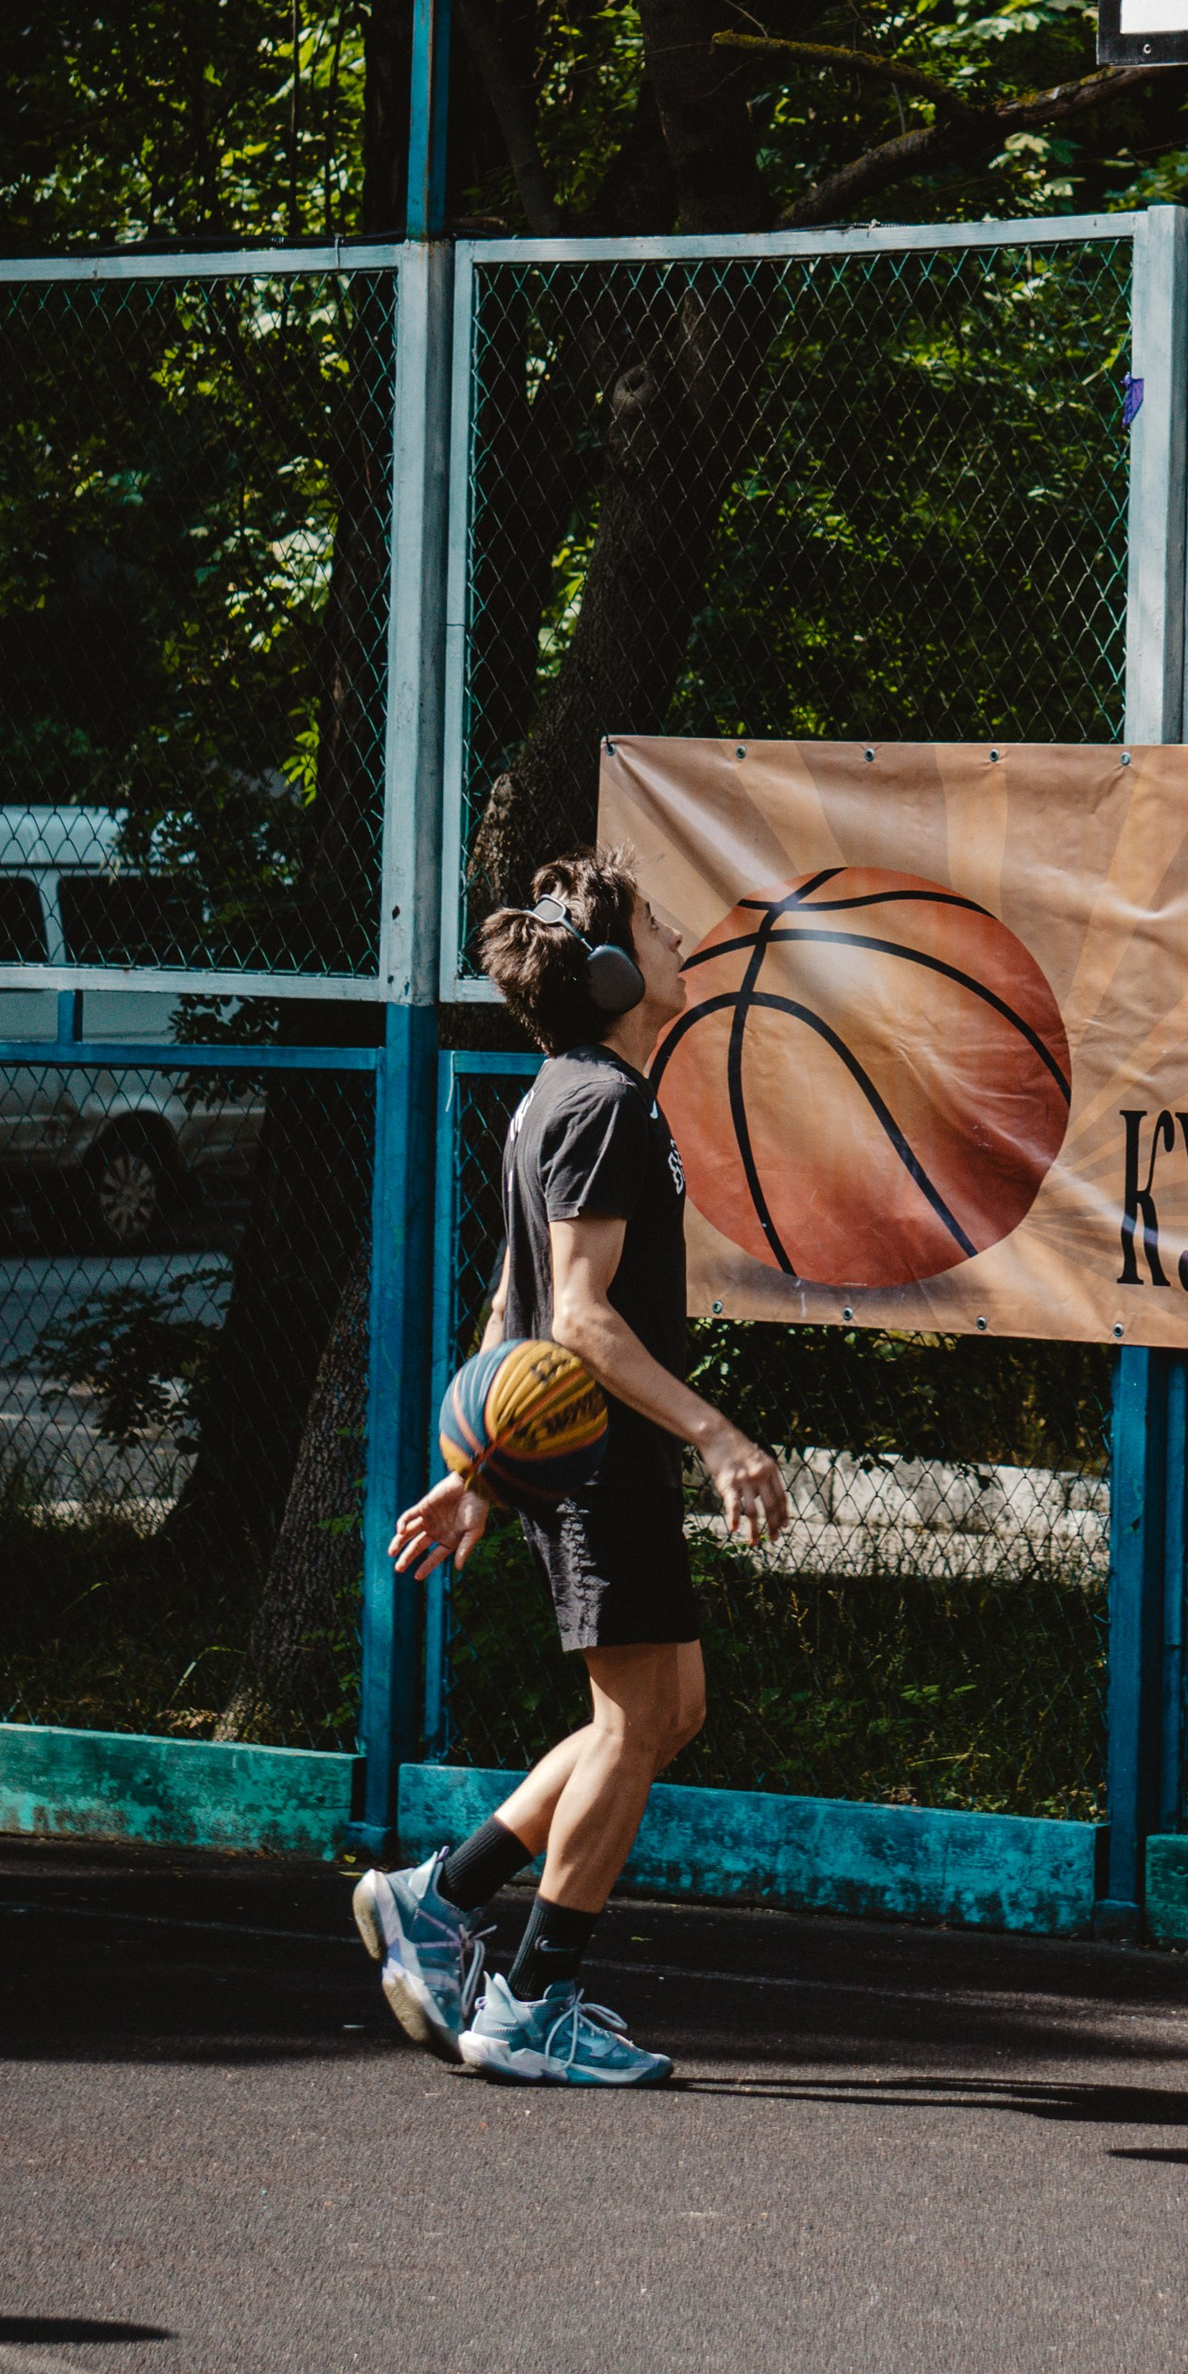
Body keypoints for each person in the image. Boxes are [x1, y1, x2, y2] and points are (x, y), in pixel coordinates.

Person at [351, 848, 789, 2087]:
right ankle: (532, 1999)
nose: (673, 931)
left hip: (579, 1462)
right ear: (608, 972)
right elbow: (581, 1319)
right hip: (607, 1466)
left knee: (663, 1714)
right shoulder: (603, 1104)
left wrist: (481, 1472)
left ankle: (441, 1894)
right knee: (636, 1722)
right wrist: (720, 1436)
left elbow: (510, 1305)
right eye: (652, 922)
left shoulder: (556, 1094)